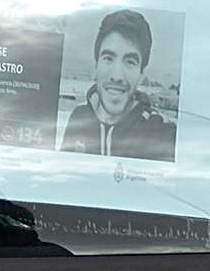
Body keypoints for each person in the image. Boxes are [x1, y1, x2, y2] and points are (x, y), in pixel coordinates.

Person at [61, 10, 175, 161]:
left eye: (130, 62)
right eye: (108, 58)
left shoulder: (163, 133)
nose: (116, 76)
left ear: (141, 74)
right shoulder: (78, 117)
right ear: (97, 65)